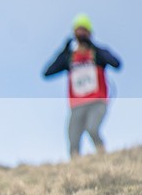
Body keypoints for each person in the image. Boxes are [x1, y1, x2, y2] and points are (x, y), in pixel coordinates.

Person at [43, 13, 121, 158]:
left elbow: (116, 63)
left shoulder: (97, 53)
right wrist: (63, 52)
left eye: (84, 31)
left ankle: (103, 156)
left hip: (97, 101)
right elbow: (47, 73)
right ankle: (76, 169)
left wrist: (95, 48)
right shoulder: (70, 58)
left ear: (90, 34)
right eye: (78, 31)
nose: (81, 34)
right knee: (73, 139)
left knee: (92, 128)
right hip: (77, 105)